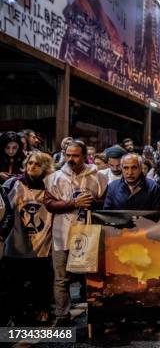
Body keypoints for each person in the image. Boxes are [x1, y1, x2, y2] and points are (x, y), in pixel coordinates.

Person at [44, 140, 108, 326]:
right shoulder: (54, 177)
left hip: (88, 233)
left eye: (75, 155)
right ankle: (63, 316)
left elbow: (106, 202)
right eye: (68, 155)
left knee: (91, 278)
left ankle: (95, 316)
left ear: (84, 156)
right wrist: (73, 204)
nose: (71, 159)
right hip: (62, 233)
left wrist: (93, 202)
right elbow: (49, 204)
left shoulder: (98, 177)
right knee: (61, 278)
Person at [1, 152, 55, 325]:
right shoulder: (13, 184)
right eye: (30, 163)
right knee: (14, 284)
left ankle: (42, 311)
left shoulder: (52, 185)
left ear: (45, 168)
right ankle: (15, 315)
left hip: (42, 243)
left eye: (37, 164)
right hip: (15, 243)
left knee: (41, 283)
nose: (32, 166)